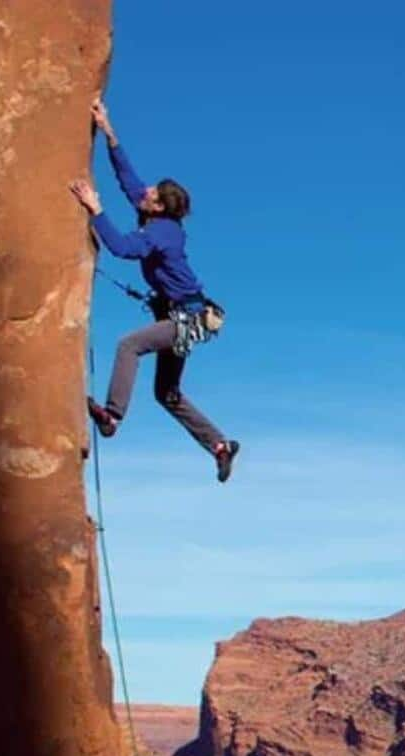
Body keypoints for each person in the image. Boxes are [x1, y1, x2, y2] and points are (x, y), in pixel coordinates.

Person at [70, 100, 240, 482]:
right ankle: (220, 445)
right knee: (166, 393)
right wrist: (108, 130)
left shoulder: (161, 231)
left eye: (153, 193)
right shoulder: (155, 215)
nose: (145, 191)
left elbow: (123, 248)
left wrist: (95, 210)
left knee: (129, 345)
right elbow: (128, 179)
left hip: (187, 319)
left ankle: (112, 417)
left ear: (160, 207)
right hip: (181, 317)